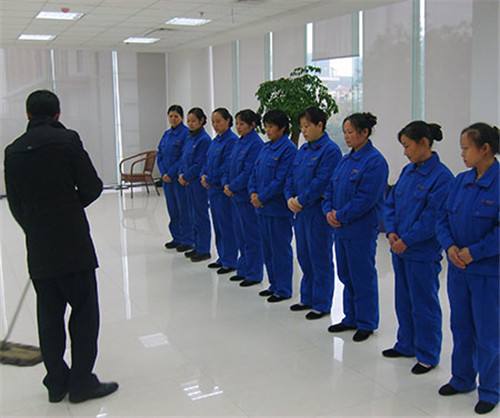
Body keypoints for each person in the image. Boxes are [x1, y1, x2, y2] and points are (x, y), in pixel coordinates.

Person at [3, 90, 118, 403]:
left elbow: (15, 203)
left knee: (48, 315)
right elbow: (92, 186)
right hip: (73, 243)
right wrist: (69, 209)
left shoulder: (13, 151)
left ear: (28, 115)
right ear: (57, 114)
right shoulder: (68, 140)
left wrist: (35, 226)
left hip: (39, 245)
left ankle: (56, 382)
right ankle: (81, 383)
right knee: (84, 313)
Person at [436, 123, 499, 415]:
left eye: (466, 148)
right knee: (460, 326)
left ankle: (491, 389)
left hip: (487, 272)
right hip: (458, 269)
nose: (461, 154)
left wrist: (474, 252)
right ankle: (462, 378)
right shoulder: (460, 181)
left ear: (485, 149)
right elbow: (442, 218)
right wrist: (449, 246)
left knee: (488, 332)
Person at [383, 121, 453, 374]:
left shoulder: (442, 178)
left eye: (407, 146)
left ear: (424, 143)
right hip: (399, 248)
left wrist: (408, 240)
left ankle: (427, 354)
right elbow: (390, 203)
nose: (405, 152)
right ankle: (406, 344)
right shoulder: (408, 171)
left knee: (424, 303)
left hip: (421, 252)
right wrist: (391, 231)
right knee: (403, 299)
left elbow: (432, 218)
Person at [322, 112, 388, 342]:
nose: (347, 136)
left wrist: (340, 215)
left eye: (350, 132)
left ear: (364, 132)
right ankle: (350, 316)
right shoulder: (345, 160)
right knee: (345, 274)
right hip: (340, 228)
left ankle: (366, 322)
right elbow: (330, 189)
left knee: (362, 275)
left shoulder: (375, 162)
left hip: (360, 229)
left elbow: (365, 199)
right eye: (345, 132)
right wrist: (328, 211)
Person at [285, 107, 342, 320]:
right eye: (302, 127)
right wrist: (289, 197)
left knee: (320, 257)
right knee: (304, 255)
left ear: (320, 125)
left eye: (307, 126)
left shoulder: (330, 151)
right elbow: (291, 176)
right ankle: (307, 297)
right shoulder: (303, 150)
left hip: (316, 211)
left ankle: (321, 302)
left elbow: (322, 181)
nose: (304, 131)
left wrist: (301, 200)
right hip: (300, 212)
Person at [248, 110, 297, 302]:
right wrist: (253, 192)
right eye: (266, 126)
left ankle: (283, 288)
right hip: (261, 208)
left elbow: (281, 179)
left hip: (277, 209)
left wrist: (262, 196)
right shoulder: (266, 147)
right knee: (267, 248)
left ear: (282, 128)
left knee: (280, 249)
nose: (267, 130)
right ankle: (273, 284)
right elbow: (254, 172)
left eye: (271, 127)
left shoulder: (288, 149)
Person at [222, 109, 264, 287]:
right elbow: (229, 166)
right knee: (239, 234)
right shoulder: (239, 142)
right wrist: (226, 183)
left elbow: (248, 171)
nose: (238, 127)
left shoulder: (255, 144)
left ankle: (254, 272)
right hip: (234, 196)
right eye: (237, 124)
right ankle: (243, 268)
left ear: (252, 125)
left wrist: (232, 186)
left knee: (251, 235)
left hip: (245, 196)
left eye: (242, 124)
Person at [201, 108, 239, 275]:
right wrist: (203, 175)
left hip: (221, 190)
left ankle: (230, 260)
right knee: (218, 225)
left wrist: (211, 178)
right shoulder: (215, 141)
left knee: (226, 225)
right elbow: (207, 161)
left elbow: (226, 166)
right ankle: (222, 257)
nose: (215, 125)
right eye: (213, 122)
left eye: (218, 121)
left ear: (227, 121)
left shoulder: (231, 141)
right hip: (212, 189)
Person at [157, 105, 193, 252]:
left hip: (178, 179)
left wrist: (171, 173)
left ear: (181, 118)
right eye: (171, 116)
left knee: (183, 209)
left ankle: (188, 239)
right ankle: (176, 237)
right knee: (172, 209)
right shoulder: (167, 134)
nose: (173, 119)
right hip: (167, 180)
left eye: (176, 116)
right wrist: (163, 172)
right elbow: (160, 154)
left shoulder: (186, 134)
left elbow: (183, 157)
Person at [178, 108, 212, 262]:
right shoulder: (189, 138)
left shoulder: (204, 140)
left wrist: (186, 176)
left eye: (193, 121)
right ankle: (197, 245)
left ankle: (204, 249)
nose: (190, 124)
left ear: (201, 121)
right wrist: (181, 173)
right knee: (192, 215)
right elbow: (183, 158)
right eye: (189, 121)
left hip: (197, 183)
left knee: (201, 215)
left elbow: (199, 164)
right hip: (187, 183)